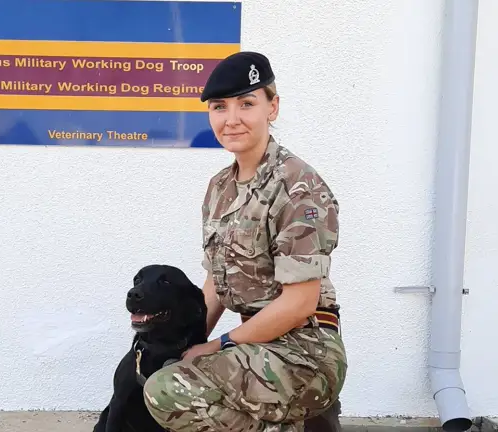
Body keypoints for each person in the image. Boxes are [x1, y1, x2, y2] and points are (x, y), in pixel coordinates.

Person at [142, 51, 348, 432]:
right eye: (220, 107)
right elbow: (217, 283)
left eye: (247, 103)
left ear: (273, 108)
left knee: (168, 391)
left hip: (304, 352)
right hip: (252, 346)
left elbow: (299, 303)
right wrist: (190, 340)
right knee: (166, 370)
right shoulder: (220, 187)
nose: (231, 119)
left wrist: (219, 345)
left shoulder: (299, 187)